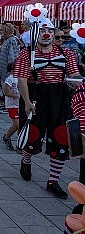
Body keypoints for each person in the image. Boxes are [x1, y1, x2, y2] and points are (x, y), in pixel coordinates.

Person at [13, 19, 80, 199]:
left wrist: (75, 83)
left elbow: (74, 76)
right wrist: (27, 102)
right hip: (37, 96)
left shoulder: (66, 53)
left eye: (50, 31)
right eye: (42, 31)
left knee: (60, 136)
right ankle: (26, 160)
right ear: (35, 34)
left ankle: (53, 181)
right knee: (32, 134)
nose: (47, 34)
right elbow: (21, 80)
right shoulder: (26, 54)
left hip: (60, 97)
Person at [2, 64, 20, 151]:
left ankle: (7, 137)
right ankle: (19, 143)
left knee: (18, 125)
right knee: (18, 125)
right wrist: (17, 96)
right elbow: (6, 92)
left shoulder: (21, 78)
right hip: (12, 105)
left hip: (20, 105)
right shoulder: (9, 79)